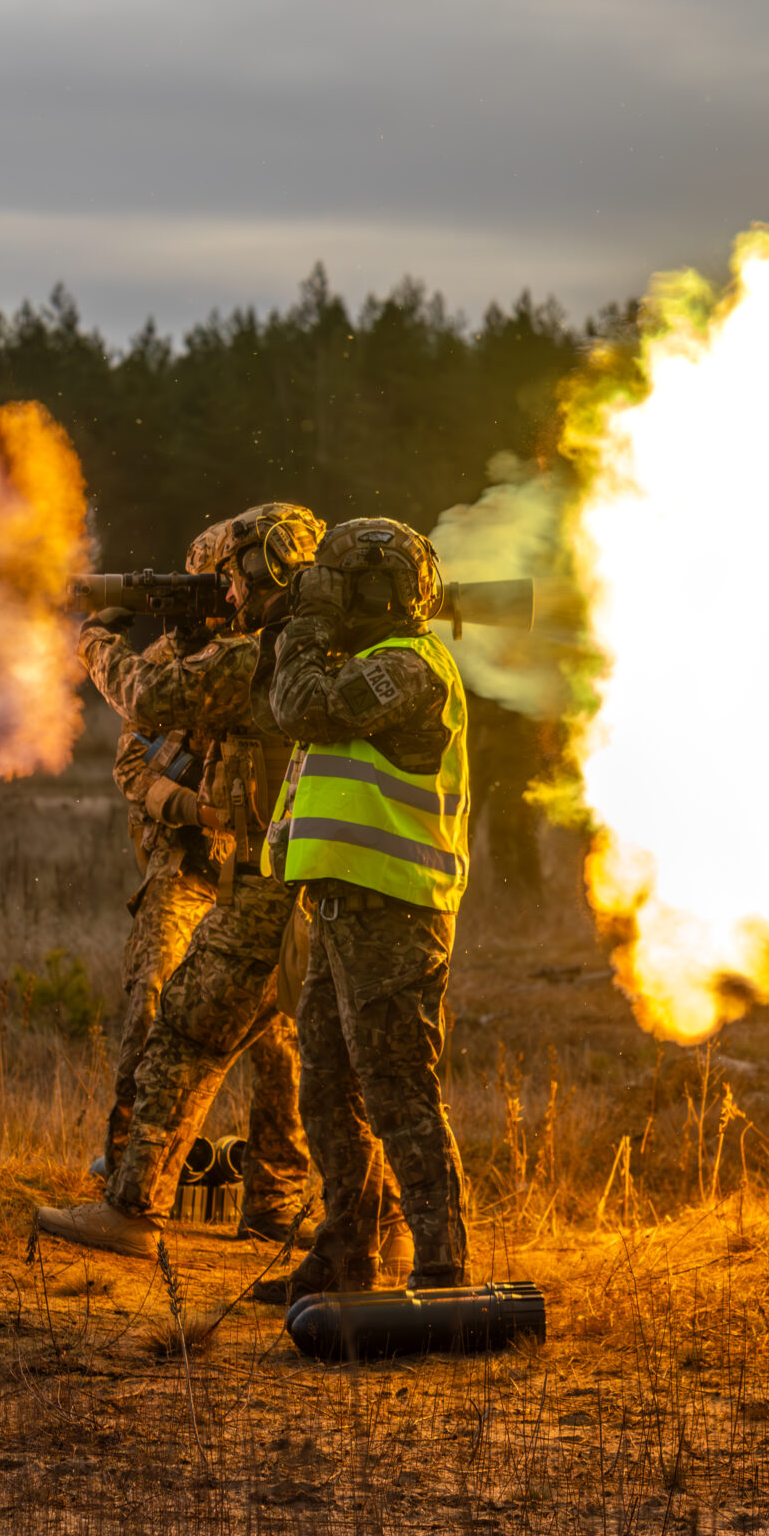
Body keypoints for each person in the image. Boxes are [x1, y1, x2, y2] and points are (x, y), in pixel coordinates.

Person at [40, 504, 406, 1261]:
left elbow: (146, 698)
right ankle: (383, 1231)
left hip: (268, 887)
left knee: (183, 1032)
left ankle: (135, 1208)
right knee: (341, 1061)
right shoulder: (358, 651)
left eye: (235, 576)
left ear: (266, 569)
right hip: (345, 888)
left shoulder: (262, 659)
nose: (229, 593)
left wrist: (95, 640)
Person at [253, 517, 474, 1300]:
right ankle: (347, 1250)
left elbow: (300, 707)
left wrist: (307, 619)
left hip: (396, 910)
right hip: (346, 906)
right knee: (327, 1087)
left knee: (396, 1087)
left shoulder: (409, 668)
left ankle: (442, 1265)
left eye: (335, 582)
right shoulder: (374, 660)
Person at [93, 604, 307, 1245]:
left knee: (281, 1040)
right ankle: (131, 1176)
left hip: (256, 874)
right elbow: (132, 767)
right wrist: (196, 809)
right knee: (155, 1003)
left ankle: (274, 1199)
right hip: (186, 865)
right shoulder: (166, 665)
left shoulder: (268, 661)